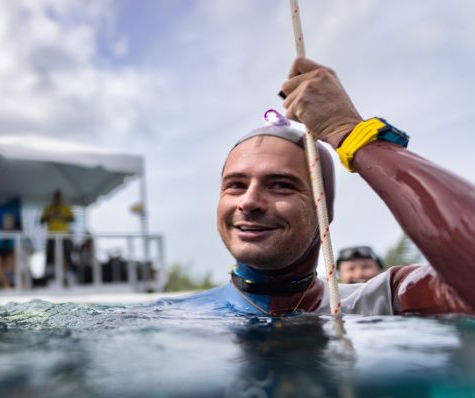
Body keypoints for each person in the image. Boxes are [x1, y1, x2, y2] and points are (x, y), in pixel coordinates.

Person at [168, 57, 475, 316]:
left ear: (324, 209)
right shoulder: (172, 319)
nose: (248, 202)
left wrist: (353, 135)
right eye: (235, 185)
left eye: (281, 186)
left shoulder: (382, 302)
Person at [40, 190, 75, 281]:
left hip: (64, 235)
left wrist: (62, 217)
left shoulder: (66, 208)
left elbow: (72, 219)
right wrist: (49, 216)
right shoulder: (48, 208)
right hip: (51, 235)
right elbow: (41, 221)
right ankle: (48, 277)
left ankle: (71, 275)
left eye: (59, 196)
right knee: (50, 256)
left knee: (67, 255)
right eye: (56, 196)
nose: (57, 198)